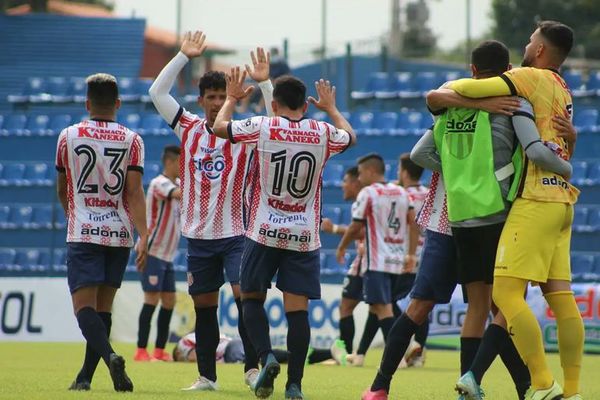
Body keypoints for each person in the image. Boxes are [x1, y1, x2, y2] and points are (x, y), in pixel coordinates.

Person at [360, 39, 566, 399]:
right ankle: (508, 385)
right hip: (491, 217)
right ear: (507, 75)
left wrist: (456, 170)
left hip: (444, 219)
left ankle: (379, 386)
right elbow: (534, 151)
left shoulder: (448, 100)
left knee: (421, 307)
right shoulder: (511, 105)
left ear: (472, 71)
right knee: (496, 307)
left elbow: (422, 148)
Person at [448, 22, 584, 400]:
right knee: (561, 296)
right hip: (562, 202)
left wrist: (442, 94)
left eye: (529, 40)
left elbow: (468, 88)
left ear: (540, 49)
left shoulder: (529, 77)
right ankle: (572, 390)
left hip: (536, 198)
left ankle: (542, 383)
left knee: (506, 294)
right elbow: (564, 142)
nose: (525, 45)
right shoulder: (563, 89)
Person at [212, 69, 356, 399]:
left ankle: (265, 359)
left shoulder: (263, 126)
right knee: (297, 312)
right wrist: (331, 109)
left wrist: (232, 99)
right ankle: (295, 384)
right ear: (305, 106)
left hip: (263, 230)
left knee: (250, 298)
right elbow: (351, 136)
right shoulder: (321, 131)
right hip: (303, 234)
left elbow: (218, 128)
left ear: (273, 105)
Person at [148, 31, 274, 391]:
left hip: (237, 233)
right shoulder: (187, 126)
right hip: (199, 236)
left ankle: (253, 370)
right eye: (213, 97)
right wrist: (183, 56)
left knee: (245, 298)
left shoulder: (244, 130)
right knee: (204, 307)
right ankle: (207, 377)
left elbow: (276, 117)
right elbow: (157, 93)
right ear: (201, 100)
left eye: (223, 97)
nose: (219, 102)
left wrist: (264, 83)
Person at [56, 73, 148, 392]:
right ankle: (85, 377)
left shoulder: (68, 136)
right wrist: (145, 236)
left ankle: (109, 358)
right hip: (119, 233)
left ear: (87, 103)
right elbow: (135, 192)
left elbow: (62, 186)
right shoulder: (133, 140)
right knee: (104, 308)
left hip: (83, 230)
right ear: (118, 103)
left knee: (84, 308)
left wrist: (74, 215)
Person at [336, 154, 419, 346]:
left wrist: (341, 247)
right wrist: (411, 254)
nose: (359, 178)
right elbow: (414, 224)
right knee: (382, 307)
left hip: (376, 261)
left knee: (383, 309)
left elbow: (356, 227)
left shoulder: (369, 193)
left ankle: (401, 352)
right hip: (397, 262)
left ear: (370, 171)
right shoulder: (401, 192)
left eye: (360, 173)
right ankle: (397, 350)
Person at [321, 166, 380, 367]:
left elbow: (361, 230)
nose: (342, 185)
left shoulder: (365, 198)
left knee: (382, 306)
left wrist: (335, 230)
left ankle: (404, 347)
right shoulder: (367, 198)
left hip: (368, 260)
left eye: (345, 181)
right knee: (349, 305)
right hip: (367, 259)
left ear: (356, 182)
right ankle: (346, 354)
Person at [134, 145, 182, 362]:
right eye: (182, 162)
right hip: (153, 252)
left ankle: (159, 350)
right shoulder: (159, 183)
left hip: (167, 255)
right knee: (151, 299)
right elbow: (178, 194)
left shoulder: (178, 183)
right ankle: (141, 350)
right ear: (170, 162)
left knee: (170, 300)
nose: (184, 167)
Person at [394, 153, 430, 369]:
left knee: (389, 302)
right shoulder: (428, 193)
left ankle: (409, 345)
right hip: (427, 255)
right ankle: (418, 351)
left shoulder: (400, 195)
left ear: (405, 172)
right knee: (422, 303)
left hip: (402, 256)